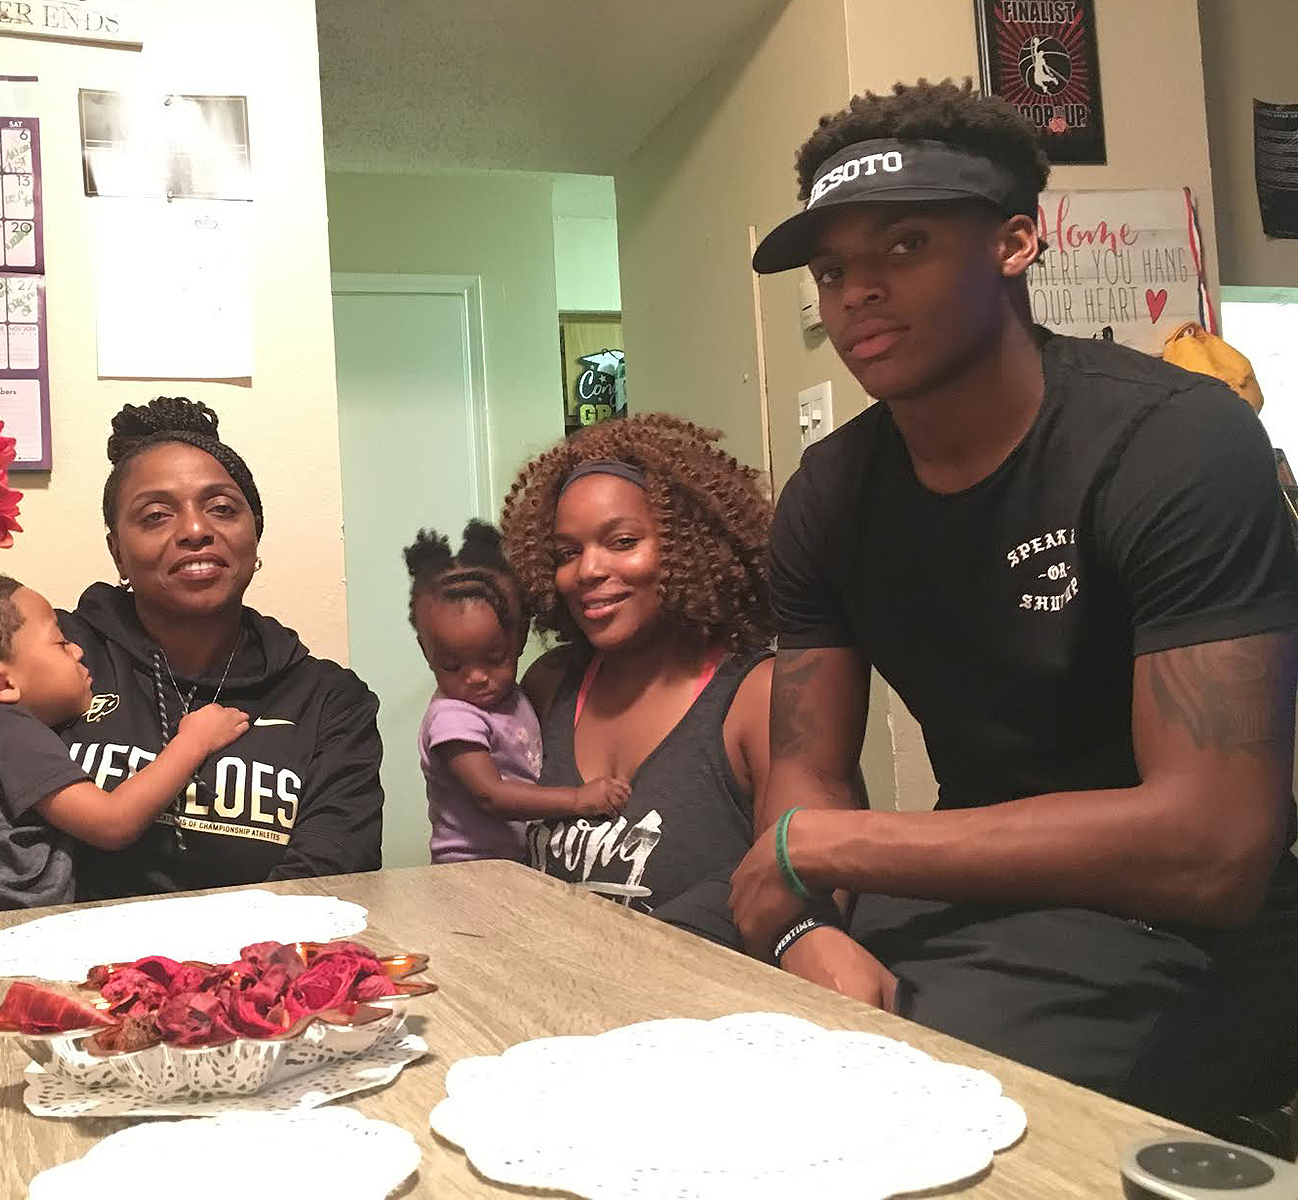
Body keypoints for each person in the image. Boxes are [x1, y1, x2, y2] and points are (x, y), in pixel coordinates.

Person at [737, 79, 1298, 1130]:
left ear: (1013, 243)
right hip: (972, 890)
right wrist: (797, 936)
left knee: (902, 1110)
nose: (857, 291)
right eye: (831, 270)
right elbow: (804, 773)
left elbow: (1217, 846)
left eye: (903, 246)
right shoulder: (828, 495)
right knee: (692, 1004)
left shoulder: (1175, 443)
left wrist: (825, 849)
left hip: (1186, 926)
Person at [60, 396, 386, 898]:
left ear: (255, 536)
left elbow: (332, 871)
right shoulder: (57, 657)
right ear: (117, 552)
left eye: (222, 509)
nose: (195, 530)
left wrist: (215, 969)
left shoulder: (329, 700)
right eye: (155, 516)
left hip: (256, 964)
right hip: (63, 962)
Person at [503, 414, 776, 946]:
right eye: (567, 553)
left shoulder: (756, 697)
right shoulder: (550, 685)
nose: (587, 571)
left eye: (623, 541)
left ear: (690, 546)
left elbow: (800, 900)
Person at [0, 569, 249, 920]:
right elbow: (111, 822)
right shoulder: (5, 728)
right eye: (61, 643)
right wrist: (194, 740)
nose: (79, 651)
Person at [407, 519, 630, 864]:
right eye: (453, 666)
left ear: (520, 637)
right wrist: (579, 800)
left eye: (495, 659)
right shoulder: (453, 718)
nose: (477, 677)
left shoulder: (516, 696)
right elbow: (491, 796)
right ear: (425, 652)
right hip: (470, 870)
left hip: (516, 865)